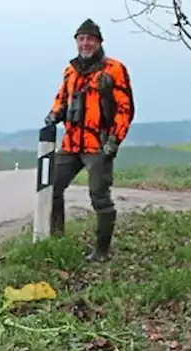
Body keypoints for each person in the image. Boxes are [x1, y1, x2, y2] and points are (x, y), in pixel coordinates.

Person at [44, 18, 135, 261]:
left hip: (99, 144)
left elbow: (125, 109)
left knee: (99, 196)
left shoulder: (114, 69)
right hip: (72, 143)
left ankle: (102, 252)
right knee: (51, 187)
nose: (85, 43)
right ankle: (56, 238)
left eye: (90, 39)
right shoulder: (70, 71)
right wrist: (54, 113)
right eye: (81, 39)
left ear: (99, 42)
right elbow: (62, 98)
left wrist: (115, 139)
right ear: (76, 42)